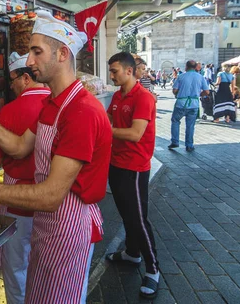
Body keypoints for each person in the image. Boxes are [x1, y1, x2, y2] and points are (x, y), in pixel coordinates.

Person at [0, 11, 113, 304]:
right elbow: (18, 148)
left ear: (62, 53)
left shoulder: (81, 111)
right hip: (47, 224)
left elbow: (51, 196)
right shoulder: (50, 104)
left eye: (36, 51)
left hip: (67, 225)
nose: (29, 61)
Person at [0, 52, 50, 304]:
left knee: (16, 267)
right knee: (45, 267)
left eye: (12, 80)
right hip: (52, 206)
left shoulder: (10, 111)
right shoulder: (57, 105)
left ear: (25, 78)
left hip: (17, 204)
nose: (10, 86)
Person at [105, 52, 160, 299]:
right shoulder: (117, 96)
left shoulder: (144, 97)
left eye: (115, 71)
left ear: (130, 71)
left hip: (135, 167)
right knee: (126, 214)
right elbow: (106, 119)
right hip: (116, 163)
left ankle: (153, 268)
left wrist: (105, 130)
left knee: (138, 219)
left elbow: (136, 133)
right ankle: (132, 253)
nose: (111, 75)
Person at [168, 60, 210, 152]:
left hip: (181, 103)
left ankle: (175, 141)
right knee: (190, 125)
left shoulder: (181, 77)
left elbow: (174, 90)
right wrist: (199, 94)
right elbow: (207, 92)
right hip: (194, 104)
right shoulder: (200, 77)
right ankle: (189, 145)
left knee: (175, 121)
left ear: (186, 67)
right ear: (195, 67)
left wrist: (180, 93)